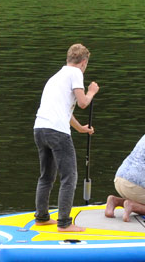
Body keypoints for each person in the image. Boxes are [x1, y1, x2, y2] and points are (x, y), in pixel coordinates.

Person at [33, 43, 99, 233]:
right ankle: (64, 223)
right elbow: (83, 103)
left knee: (46, 176)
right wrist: (92, 91)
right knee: (69, 176)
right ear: (84, 62)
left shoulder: (55, 77)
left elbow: (63, 109)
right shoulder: (76, 73)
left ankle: (42, 218)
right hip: (57, 132)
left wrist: (80, 128)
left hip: (40, 128)